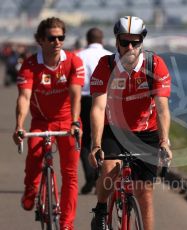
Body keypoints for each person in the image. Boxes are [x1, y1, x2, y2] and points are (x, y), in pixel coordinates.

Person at [88, 16, 172, 230]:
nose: (129, 47)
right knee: (109, 170)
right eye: (124, 42)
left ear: (142, 42)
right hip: (114, 130)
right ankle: (100, 210)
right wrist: (96, 145)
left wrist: (164, 141)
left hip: (146, 131)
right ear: (116, 42)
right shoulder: (105, 65)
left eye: (135, 42)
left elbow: (162, 107)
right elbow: (98, 107)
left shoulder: (155, 65)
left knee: (144, 193)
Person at [12, 17, 85, 230]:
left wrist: (75, 123)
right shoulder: (31, 65)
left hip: (67, 122)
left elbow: (75, 96)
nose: (57, 42)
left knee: (70, 175)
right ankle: (30, 190)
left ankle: (66, 223)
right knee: (34, 160)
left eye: (61, 37)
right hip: (41, 121)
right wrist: (19, 126)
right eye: (51, 38)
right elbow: (24, 98)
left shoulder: (73, 61)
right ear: (40, 40)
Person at [77, 27, 112, 194]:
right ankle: (101, 175)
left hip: (84, 99)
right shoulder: (109, 57)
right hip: (105, 99)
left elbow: (78, 82)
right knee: (103, 137)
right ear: (102, 40)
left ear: (87, 40)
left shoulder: (79, 56)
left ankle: (90, 174)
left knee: (84, 140)